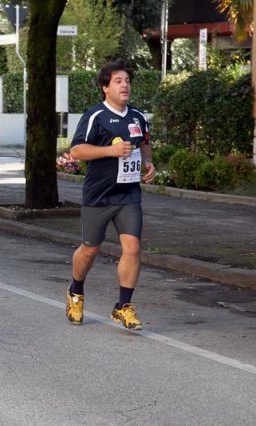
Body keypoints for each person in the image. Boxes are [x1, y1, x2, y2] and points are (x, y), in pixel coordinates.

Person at [66, 59, 156, 330]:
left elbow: (145, 144)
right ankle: (75, 292)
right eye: (118, 81)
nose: (125, 85)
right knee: (90, 248)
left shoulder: (137, 117)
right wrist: (110, 151)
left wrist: (149, 163)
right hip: (99, 195)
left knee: (133, 248)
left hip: (128, 195)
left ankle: (123, 307)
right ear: (105, 87)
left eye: (127, 80)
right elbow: (77, 151)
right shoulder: (96, 115)